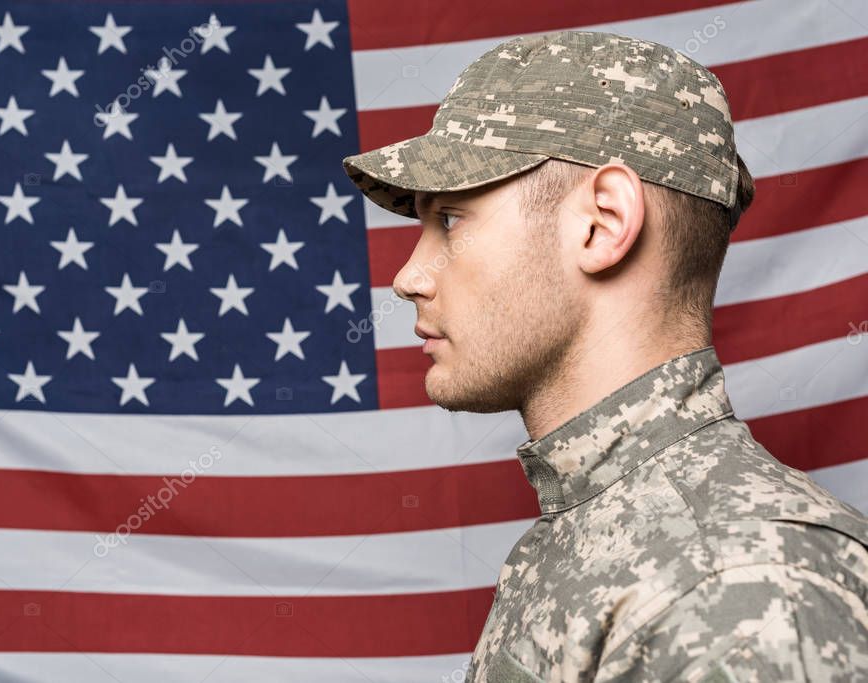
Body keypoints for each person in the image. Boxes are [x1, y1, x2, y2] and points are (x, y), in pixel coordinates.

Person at [341, 30, 868, 682]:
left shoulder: (738, 592)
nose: (410, 276)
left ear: (603, 224)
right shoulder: (599, 533)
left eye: (449, 218)